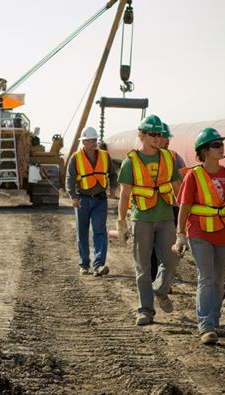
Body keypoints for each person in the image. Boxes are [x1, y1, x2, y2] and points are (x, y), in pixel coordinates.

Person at [174, 127, 225, 345]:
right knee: (206, 277)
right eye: (216, 144)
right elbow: (184, 206)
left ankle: (215, 322)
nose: (221, 147)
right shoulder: (193, 176)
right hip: (199, 232)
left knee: (218, 279)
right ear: (204, 151)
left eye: (221, 144)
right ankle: (206, 326)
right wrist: (180, 235)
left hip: (224, 231)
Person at [117, 115, 181, 326]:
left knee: (171, 259)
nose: (157, 137)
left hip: (165, 217)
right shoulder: (131, 161)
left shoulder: (168, 158)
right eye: (152, 134)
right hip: (142, 217)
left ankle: (160, 289)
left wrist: (184, 217)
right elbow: (125, 195)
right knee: (142, 267)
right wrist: (121, 222)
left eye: (159, 134)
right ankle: (145, 310)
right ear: (141, 135)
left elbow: (178, 190)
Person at [66, 126, 116, 277]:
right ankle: (84, 264)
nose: (94, 143)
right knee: (82, 233)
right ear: (84, 142)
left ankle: (99, 265)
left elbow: (113, 175)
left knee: (100, 232)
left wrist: (113, 188)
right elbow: (70, 179)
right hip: (83, 199)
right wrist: (73, 197)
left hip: (100, 199)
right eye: (90, 140)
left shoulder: (105, 156)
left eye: (95, 140)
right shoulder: (76, 158)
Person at [149, 123, 186, 281]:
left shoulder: (175, 157)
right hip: (151, 207)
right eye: (164, 137)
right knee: (151, 248)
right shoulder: (146, 157)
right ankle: (153, 278)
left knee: (168, 247)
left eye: (168, 137)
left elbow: (185, 181)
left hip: (172, 207)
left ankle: (164, 280)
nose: (167, 140)